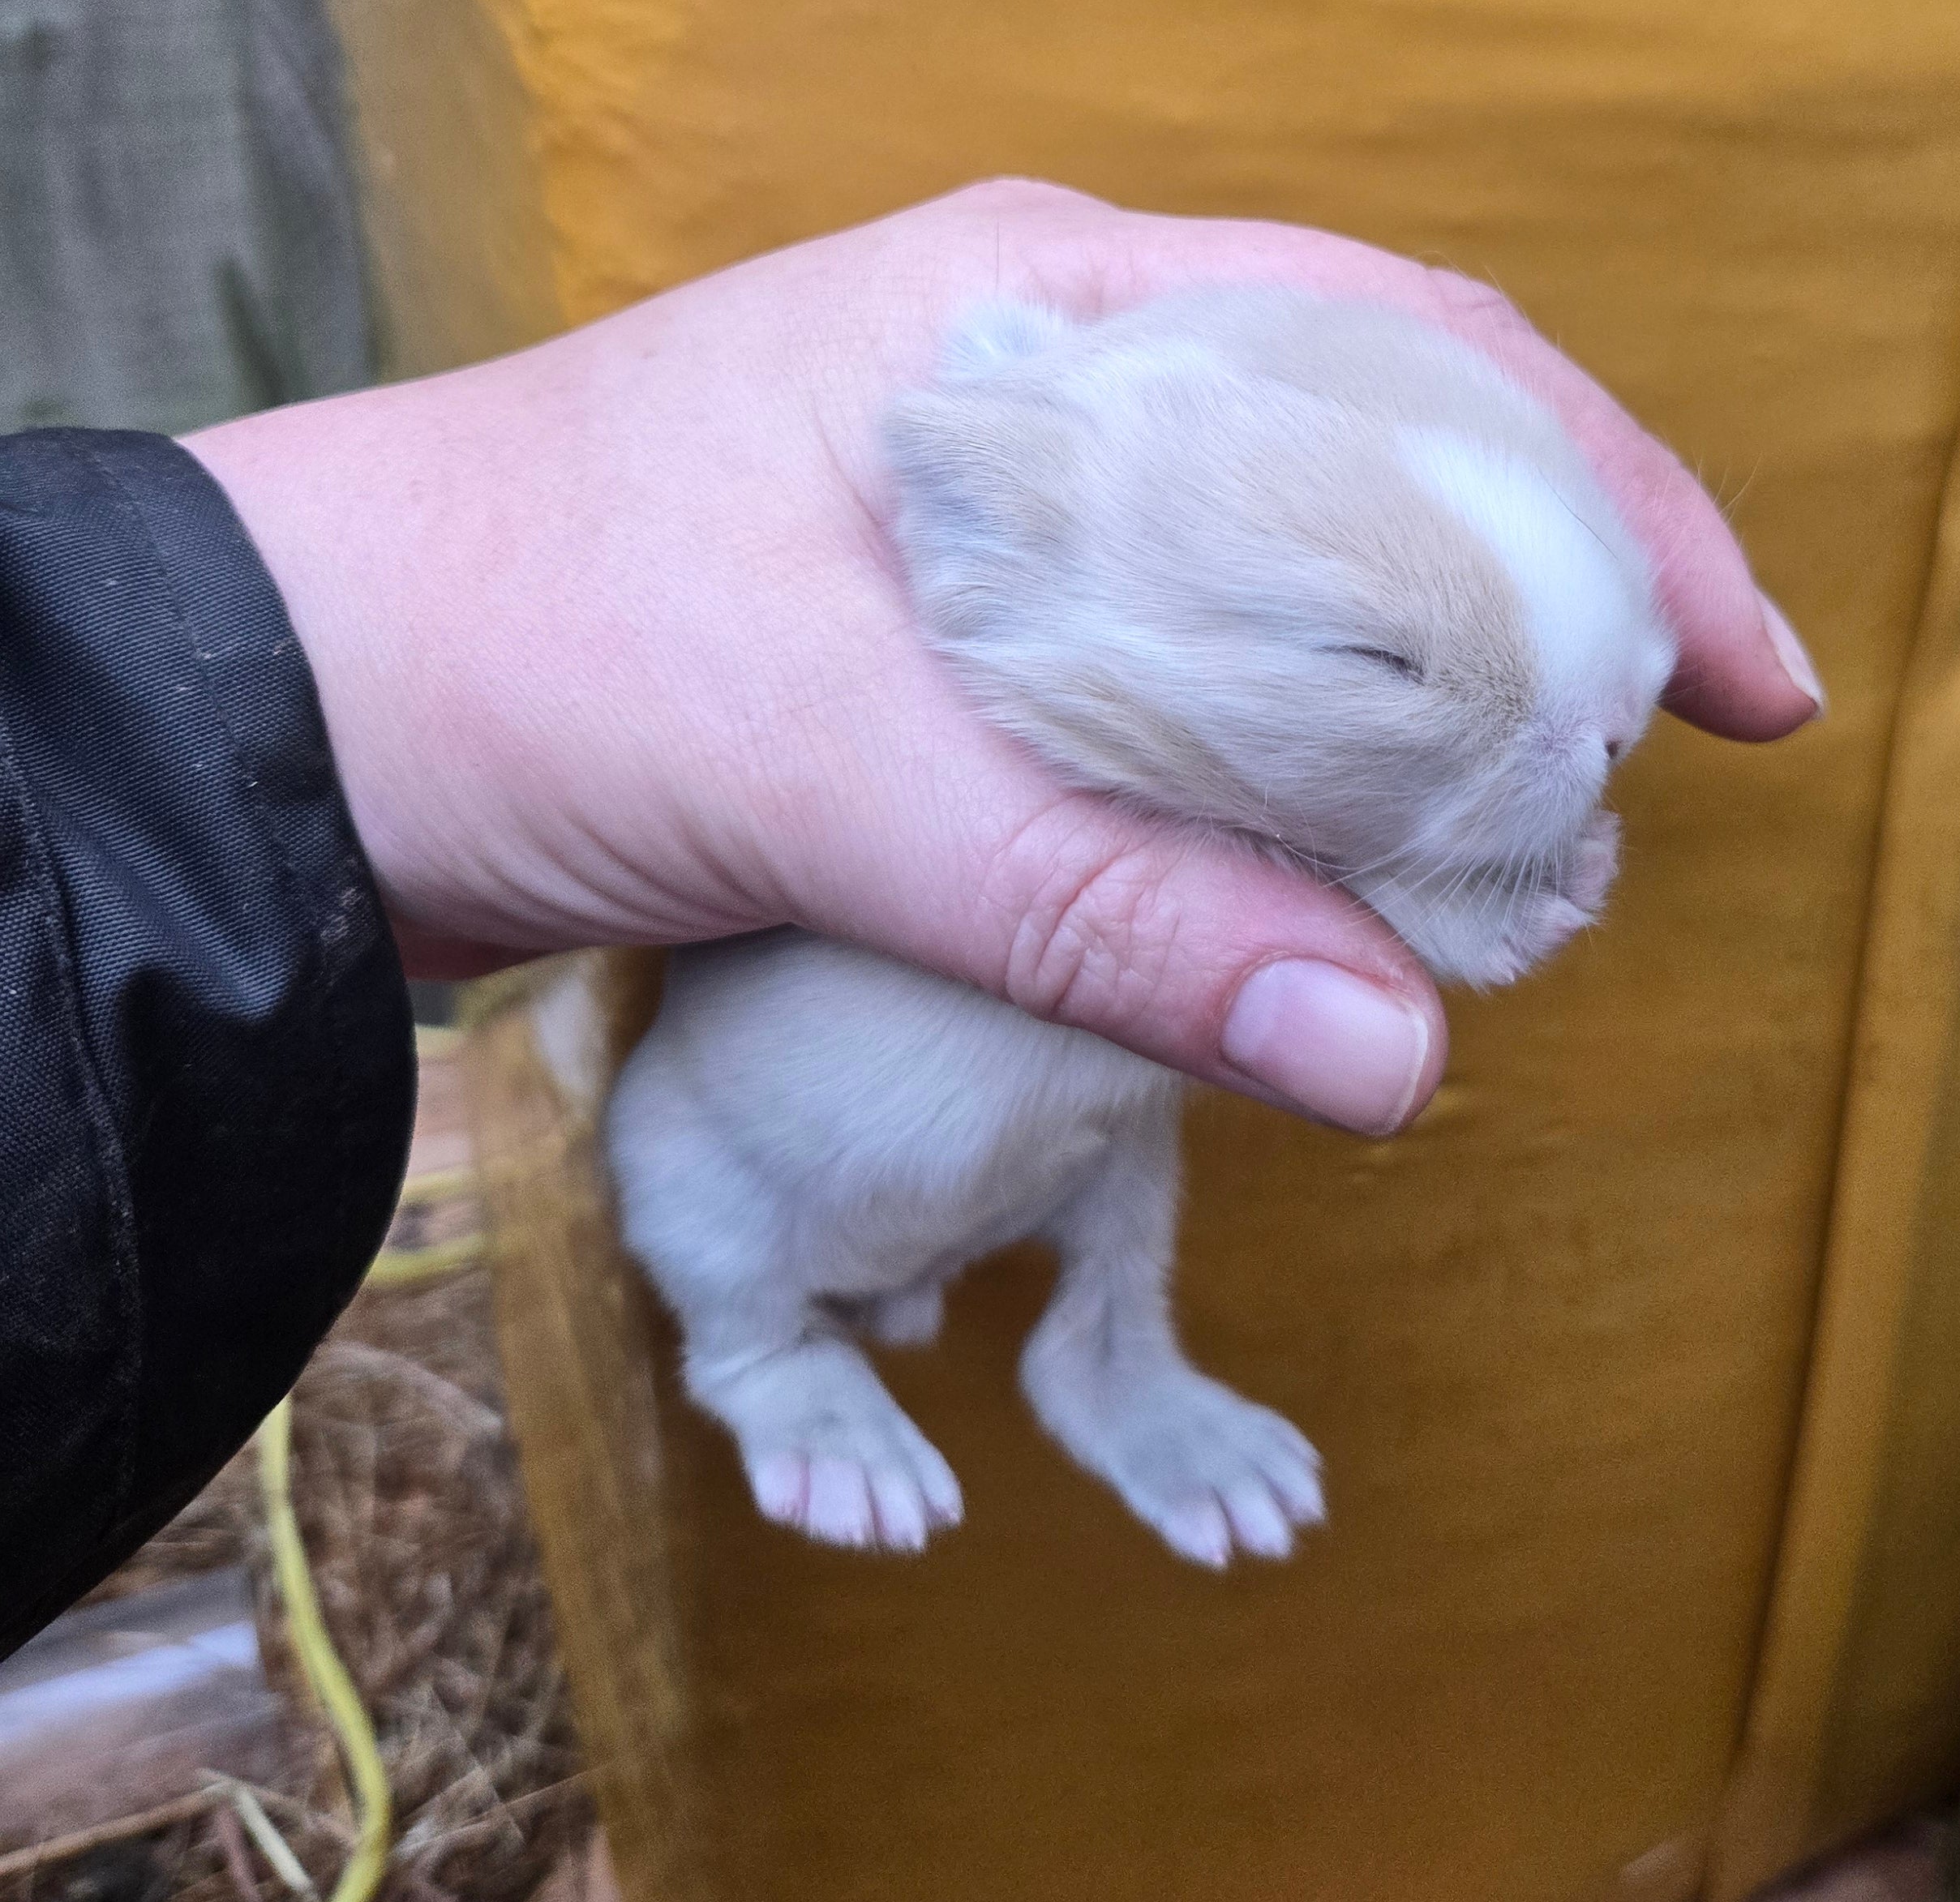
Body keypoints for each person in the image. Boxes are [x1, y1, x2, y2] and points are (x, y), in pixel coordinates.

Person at [0, 180, 1821, 1656]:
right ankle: (766, 1356)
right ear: (982, 537)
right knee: (725, 1197)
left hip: (1064, 1153)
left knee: (1119, 1160)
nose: (1605, 733)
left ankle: (1113, 1361)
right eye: (1382, 657)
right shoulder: (1006, 551)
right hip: (784, 1168)